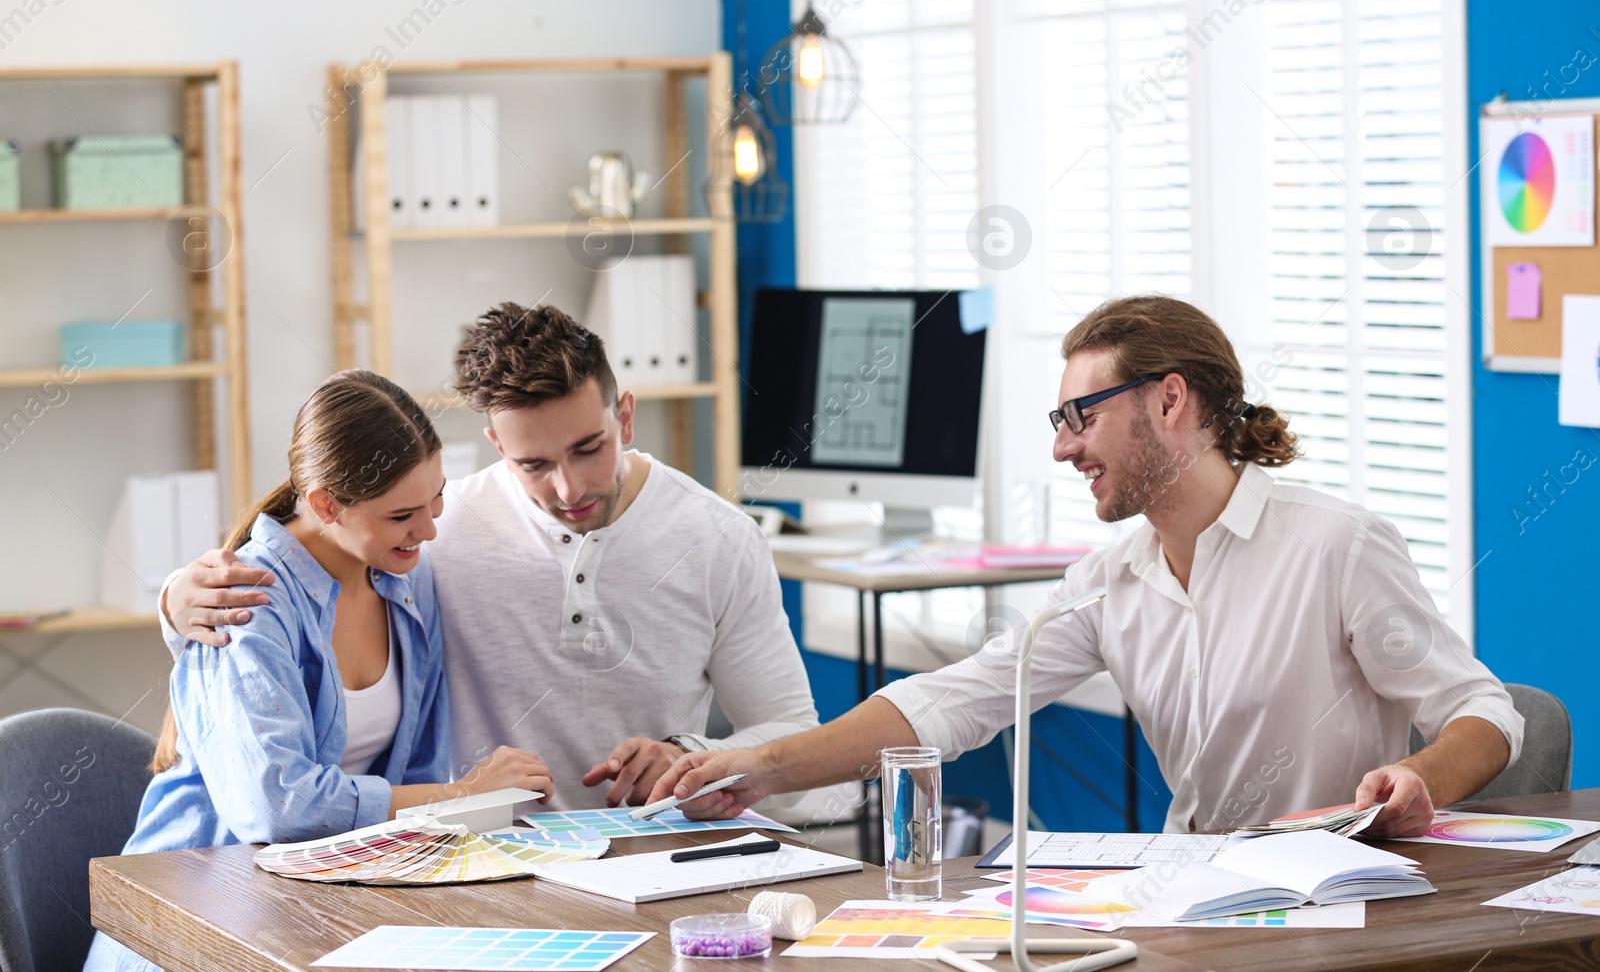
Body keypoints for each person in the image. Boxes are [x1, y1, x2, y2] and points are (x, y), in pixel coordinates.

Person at [650, 295, 1524, 837]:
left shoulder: (1336, 545)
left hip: (1339, 898)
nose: (1065, 447)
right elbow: (956, 701)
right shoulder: (1111, 580)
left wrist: (1420, 779)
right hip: (1197, 894)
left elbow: (1483, 709)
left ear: (1170, 398)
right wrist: (760, 768)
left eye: (1082, 414)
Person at [158, 304, 818, 810]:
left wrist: (691, 756)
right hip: (483, 860)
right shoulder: (432, 535)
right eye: (534, 463)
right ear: (496, 444)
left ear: (625, 416)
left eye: (589, 447)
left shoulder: (719, 538)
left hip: (650, 852)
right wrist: (176, 604)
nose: (569, 487)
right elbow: (293, 578)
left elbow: (801, 750)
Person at [85, 370, 549, 972]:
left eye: (437, 500)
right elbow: (275, 809)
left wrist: (466, 816)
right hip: (199, 925)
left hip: (320, 906)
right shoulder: (247, 601)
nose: (429, 529)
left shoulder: (407, 577)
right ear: (327, 505)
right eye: (402, 513)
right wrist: (459, 796)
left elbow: (420, 769)